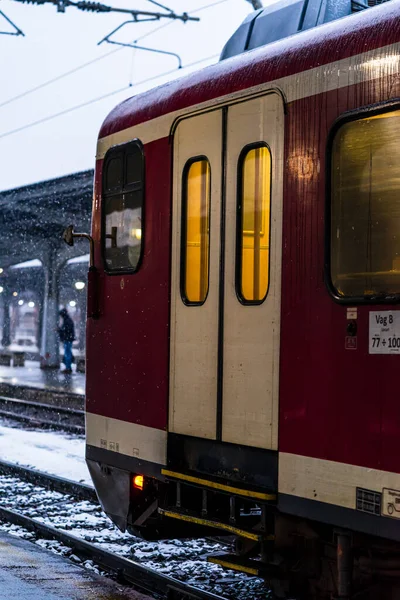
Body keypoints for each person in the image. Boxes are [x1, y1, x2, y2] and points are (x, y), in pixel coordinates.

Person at [58, 308, 75, 374]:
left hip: (67, 339)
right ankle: (68, 367)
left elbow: (66, 330)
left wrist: (59, 330)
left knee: (67, 353)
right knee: (68, 353)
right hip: (68, 339)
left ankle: (68, 368)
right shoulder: (68, 320)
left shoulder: (67, 321)